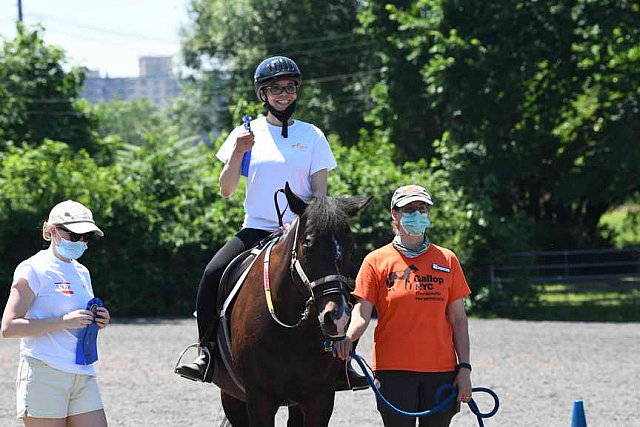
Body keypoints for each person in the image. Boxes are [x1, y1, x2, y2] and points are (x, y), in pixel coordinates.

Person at [176, 55, 341, 382]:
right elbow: (226, 189)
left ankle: (341, 355)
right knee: (211, 274)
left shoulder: (312, 136)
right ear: (262, 94)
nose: (284, 94)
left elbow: (320, 195)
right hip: (257, 229)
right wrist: (238, 150)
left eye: (290, 87)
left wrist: (308, 227)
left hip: (301, 232)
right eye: (276, 88)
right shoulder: (246, 132)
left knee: (338, 274)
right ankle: (205, 352)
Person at [334, 184, 473, 426]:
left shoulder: (447, 259)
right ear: (394, 214)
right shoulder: (375, 261)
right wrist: (348, 337)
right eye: (409, 209)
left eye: (422, 209)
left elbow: (459, 319)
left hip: (441, 372)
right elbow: (362, 312)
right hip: (393, 371)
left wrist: (464, 369)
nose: (417, 214)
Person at [1, 200, 111, 426]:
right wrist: (62, 321)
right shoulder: (32, 268)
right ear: (52, 231)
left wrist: (99, 319)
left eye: (86, 237)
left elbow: (79, 318)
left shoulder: (82, 271)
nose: (81, 242)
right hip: (44, 372)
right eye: (74, 235)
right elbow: (9, 327)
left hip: (82, 372)